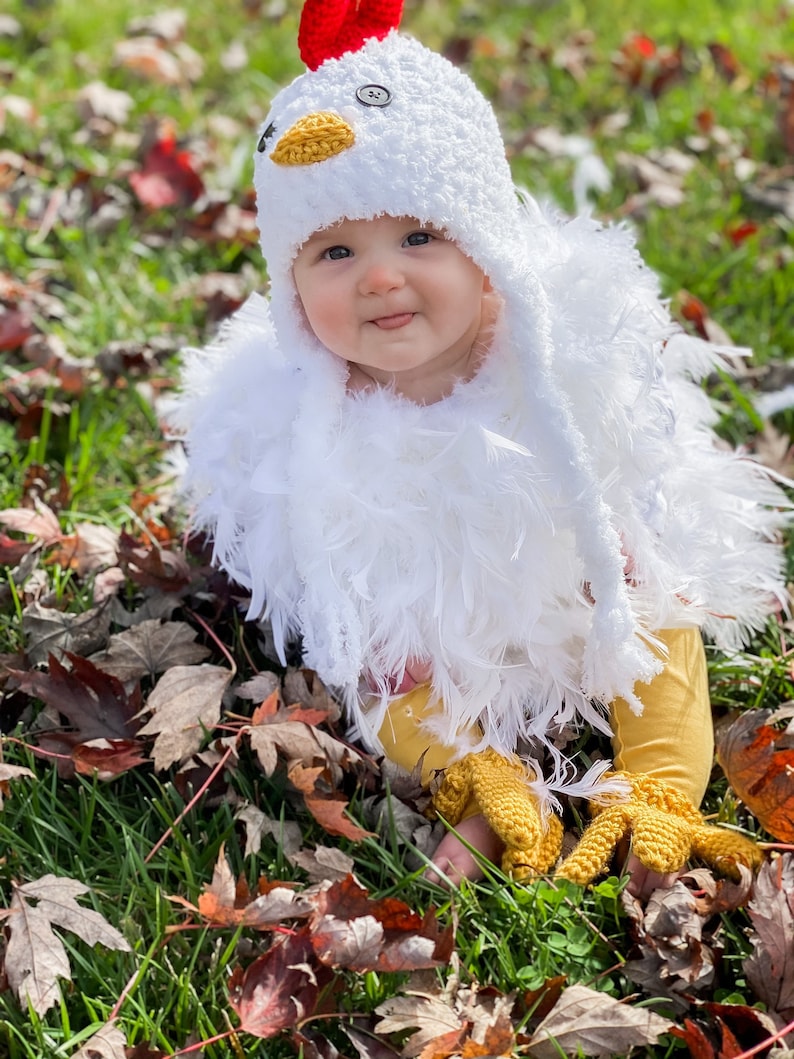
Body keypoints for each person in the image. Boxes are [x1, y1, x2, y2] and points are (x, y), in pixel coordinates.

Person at [174, 0, 789, 896]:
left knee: (642, 602)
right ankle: (486, 776)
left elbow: (654, 603)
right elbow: (364, 656)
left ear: (485, 247)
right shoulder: (303, 436)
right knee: (387, 672)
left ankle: (656, 790)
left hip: (584, 582)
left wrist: (658, 768)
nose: (382, 276)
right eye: (335, 250)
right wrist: (449, 749)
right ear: (290, 285)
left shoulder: (564, 387)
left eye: (419, 236)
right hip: (417, 647)